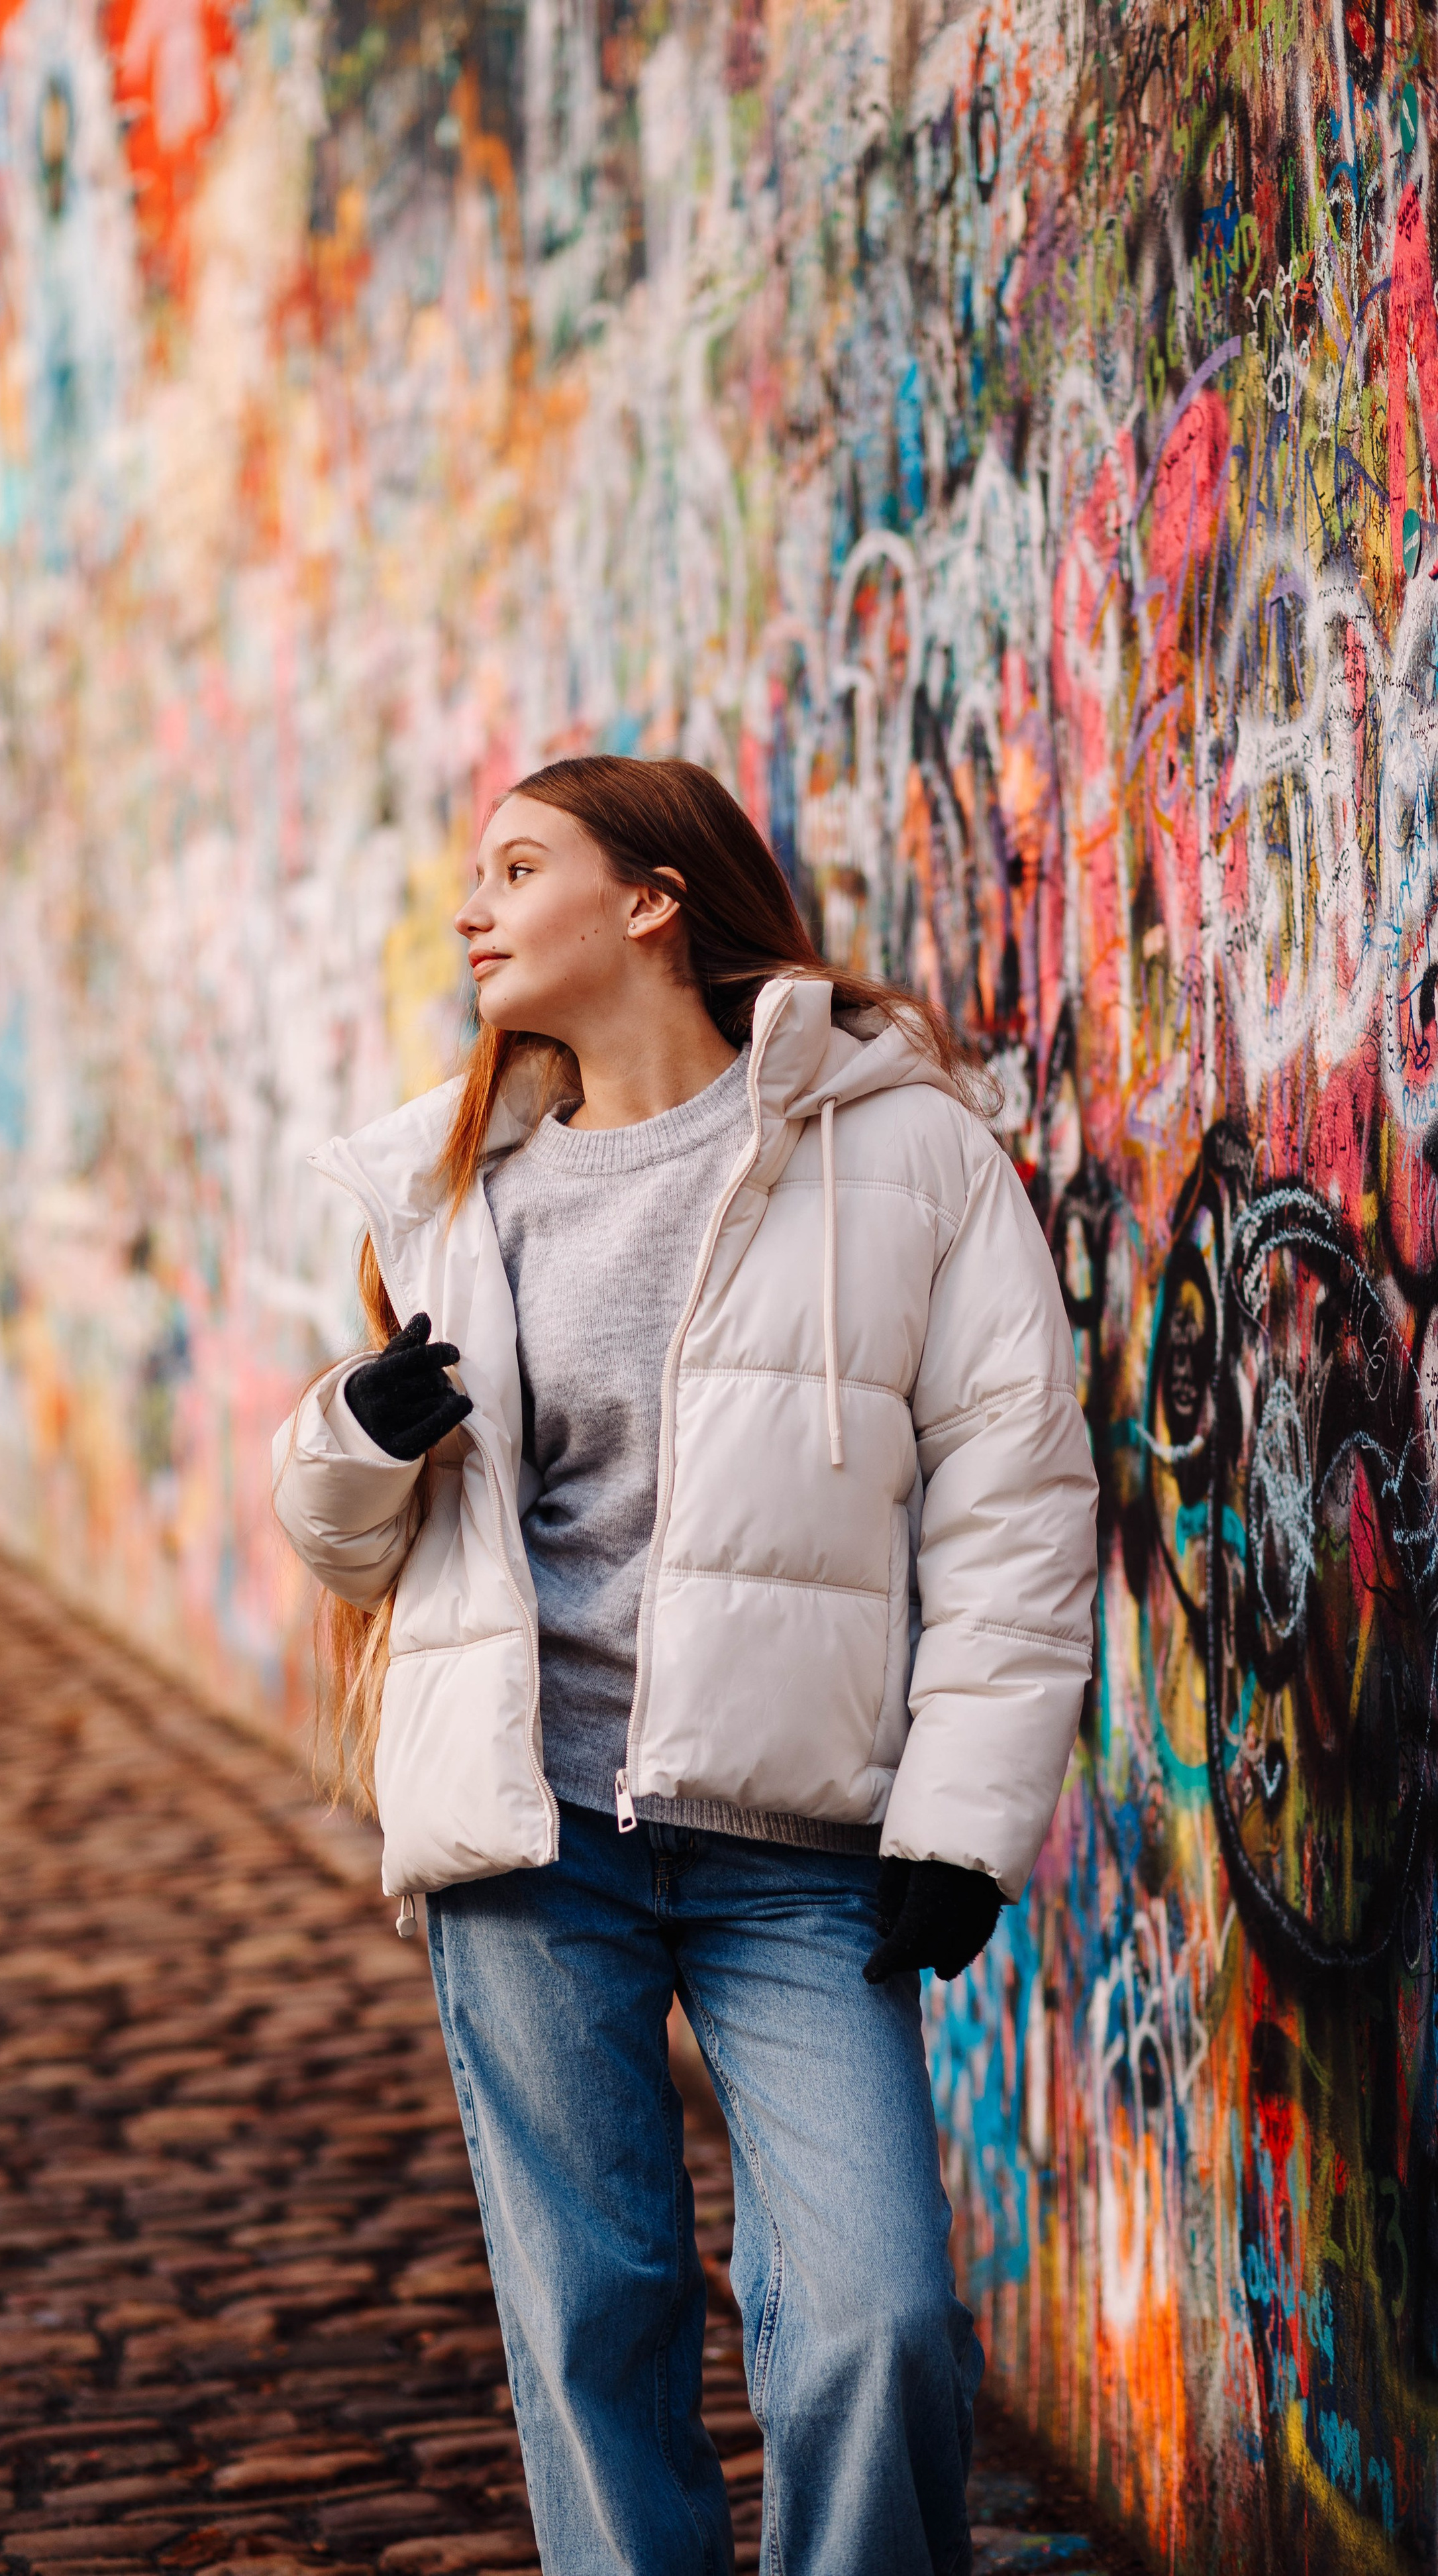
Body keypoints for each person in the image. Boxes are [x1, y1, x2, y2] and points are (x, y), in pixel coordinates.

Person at [271, 756, 1098, 2575]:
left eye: (514, 869)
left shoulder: (903, 1150)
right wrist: (357, 1439)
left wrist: (962, 1828)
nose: (472, 912)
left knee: (876, 2315)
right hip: (531, 1832)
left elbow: (1015, 1506)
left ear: (651, 899)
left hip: (793, 1850)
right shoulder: (447, 1187)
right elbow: (348, 1541)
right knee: (597, 2319)